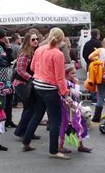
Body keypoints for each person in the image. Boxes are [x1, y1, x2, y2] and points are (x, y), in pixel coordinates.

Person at [21, 27, 72, 160]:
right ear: (61, 40)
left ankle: (26, 141)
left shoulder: (39, 50)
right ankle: (53, 151)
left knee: (37, 114)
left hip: (37, 86)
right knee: (55, 119)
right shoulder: (58, 54)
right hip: (50, 88)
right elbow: (60, 78)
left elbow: (32, 68)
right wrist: (66, 94)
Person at [13, 33, 40, 139]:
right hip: (21, 84)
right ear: (28, 41)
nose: (36, 41)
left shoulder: (34, 52)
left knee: (30, 108)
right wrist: (31, 78)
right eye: (33, 39)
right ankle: (21, 131)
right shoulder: (25, 53)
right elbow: (20, 70)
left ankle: (27, 131)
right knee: (30, 108)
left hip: (28, 84)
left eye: (37, 39)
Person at [59, 66, 91, 154]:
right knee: (65, 125)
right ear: (66, 74)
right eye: (72, 73)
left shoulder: (68, 82)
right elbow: (76, 94)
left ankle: (80, 145)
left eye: (75, 73)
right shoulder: (67, 82)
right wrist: (77, 83)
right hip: (67, 107)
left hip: (71, 107)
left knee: (79, 124)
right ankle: (60, 146)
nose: (74, 75)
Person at [0, 29, 15, 128]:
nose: (5, 38)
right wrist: (8, 62)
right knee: (2, 100)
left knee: (9, 99)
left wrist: (9, 48)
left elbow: (11, 58)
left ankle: (9, 120)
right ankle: (2, 120)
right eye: (3, 36)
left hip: (7, 75)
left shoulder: (5, 46)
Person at [88, 36, 105, 122]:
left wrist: (97, 60)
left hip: (102, 76)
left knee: (100, 96)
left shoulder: (100, 50)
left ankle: (96, 117)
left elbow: (90, 57)